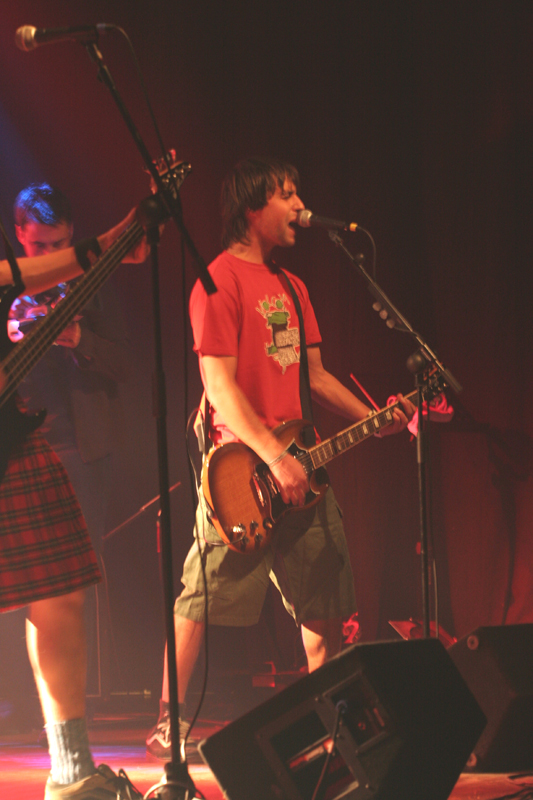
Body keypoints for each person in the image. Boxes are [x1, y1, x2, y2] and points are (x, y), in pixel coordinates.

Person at [146, 156, 416, 759]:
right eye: (286, 195)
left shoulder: (294, 287)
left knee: (325, 607)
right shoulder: (216, 282)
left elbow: (313, 375)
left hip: (299, 464)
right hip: (239, 472)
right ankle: (168, 721)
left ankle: (337, 729)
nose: (299, 206)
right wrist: (271, 457)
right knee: (199, 598)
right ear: (252, 207)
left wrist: (375, 418)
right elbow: (219, 388)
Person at [0, 209, 146, 800]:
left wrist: (106, 247)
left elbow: (12, 278)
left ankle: (70, 770)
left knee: (62, 591)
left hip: (19, 436)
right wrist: (103, 245)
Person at [10, 184, 132, 699]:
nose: (49, 256)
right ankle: (25, 702)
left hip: (82, 453)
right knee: (25, 588)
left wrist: (79, 339)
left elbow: (124, 363)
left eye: (59, 245)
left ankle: (68, 713)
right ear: (19, 234)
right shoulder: (7, 286)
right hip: (17, 453)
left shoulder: (91, 284)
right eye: (38, 246)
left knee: (72, 589)